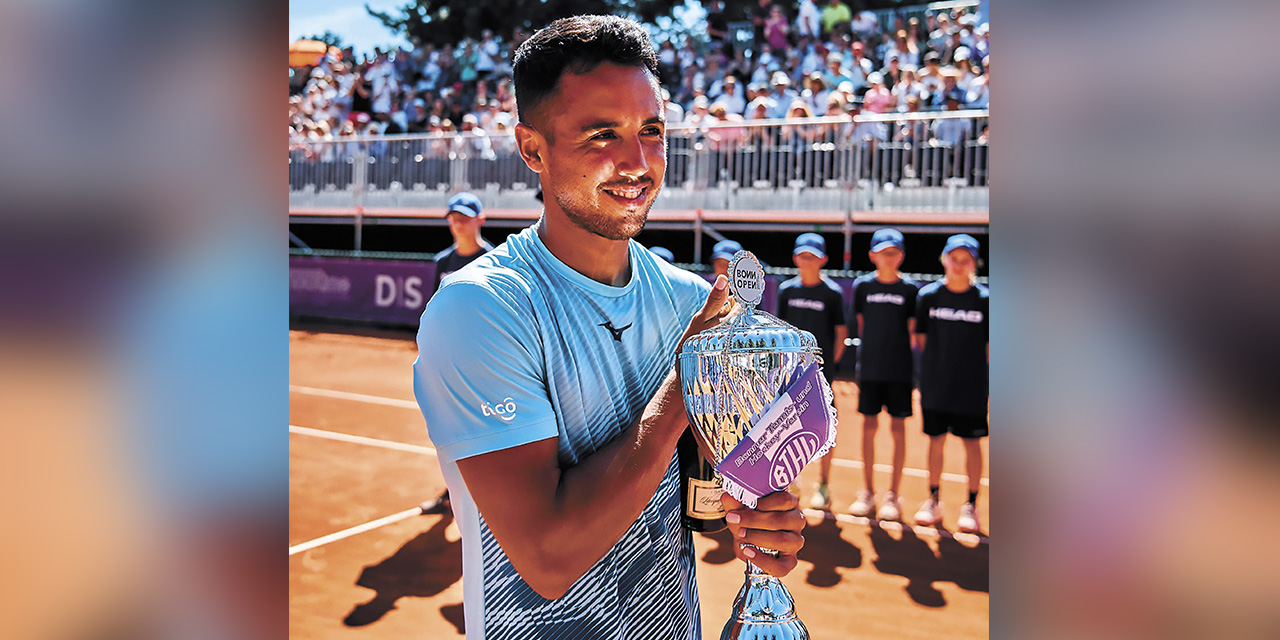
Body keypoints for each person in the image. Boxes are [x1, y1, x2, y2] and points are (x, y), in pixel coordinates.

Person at [412, 16, 805, 638]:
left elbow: (698, 501)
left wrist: (758, 516)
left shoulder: (689, 299)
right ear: (532, 149)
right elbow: (548, 558)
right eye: (602, 135)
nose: (638, 161)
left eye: (652, 130)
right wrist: (688, 379)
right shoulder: (480, 310)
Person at [913, 234, 988, 534]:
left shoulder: (985, 300)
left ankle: (971, 504)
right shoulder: (928, 297)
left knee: (972, 445)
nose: (958, 265)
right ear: (944, 260)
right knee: (936, 442)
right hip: (936, 385)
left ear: (974, 264)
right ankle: (933, 499)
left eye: (965, 260)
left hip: (971, 388)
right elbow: (921, 339)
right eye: (953, 258)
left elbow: (989, 346)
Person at [847, 229, 920, 520]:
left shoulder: (911, 290)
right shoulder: (863, 287)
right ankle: (867, 492)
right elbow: (862, 325)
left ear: (900, 255)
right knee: (868, 427)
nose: (887, 257)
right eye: (882, 252)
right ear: (872, 256)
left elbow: (912, 331)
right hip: (870, 371)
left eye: (893, 252)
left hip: (899, 371)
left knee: (898, 430)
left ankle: (893, 495)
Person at [774, 233, 847, 510]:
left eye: (813, 257)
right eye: (803, 256)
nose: (808, 261)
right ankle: (791, 481)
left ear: (823, 260)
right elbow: (780, 330)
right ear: (796, 259)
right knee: (788, 430)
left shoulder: (833, 294)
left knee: (824, 431)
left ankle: (824, 485)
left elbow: (840, 333)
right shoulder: (787, 291)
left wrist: (827, 367)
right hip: (790, 376)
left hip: (820, 376)